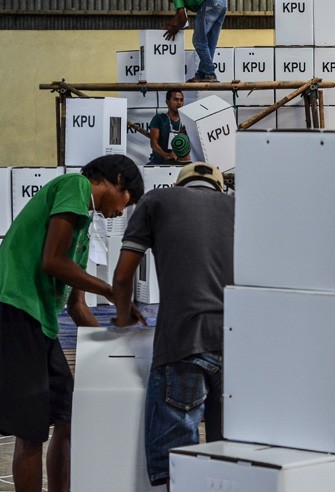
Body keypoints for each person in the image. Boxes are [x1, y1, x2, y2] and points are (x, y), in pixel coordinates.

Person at [0, 155, 143, 492]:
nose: (122, 212)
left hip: (43, 324)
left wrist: (118, 342)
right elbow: (52, 261)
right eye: (128, 202)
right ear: (117, 180)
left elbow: (77, 306)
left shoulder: (82, 232)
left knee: (68, 415)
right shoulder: (75, 186)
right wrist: (111, 291)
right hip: (17, 313)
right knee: (32, 431)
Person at [111, 162, 234, 488]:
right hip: (239, 347)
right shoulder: (240, 207)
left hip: (183, 343)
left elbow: (123, 278)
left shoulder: (156, 201)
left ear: (180, 186)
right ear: (221, 189)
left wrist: (123, 320)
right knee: (232, 461)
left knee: (178, 464)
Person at [157, 0, 227, 83]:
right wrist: (170, 24)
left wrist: (175, 29)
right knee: (209, 43)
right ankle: (201, 74)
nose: (168, 0)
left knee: (198, 41)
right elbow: (180, 16)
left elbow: (182, 18)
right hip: (222, 0)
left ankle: (210, 73)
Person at [148, 89, 191, 165]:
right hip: (160, 161)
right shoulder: (159, 118)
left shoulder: (187, 120)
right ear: (167, 102)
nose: (179, 103)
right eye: (175, 99)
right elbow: (154, 144)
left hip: (181, 161)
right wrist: (166, 156)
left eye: (181, 100)